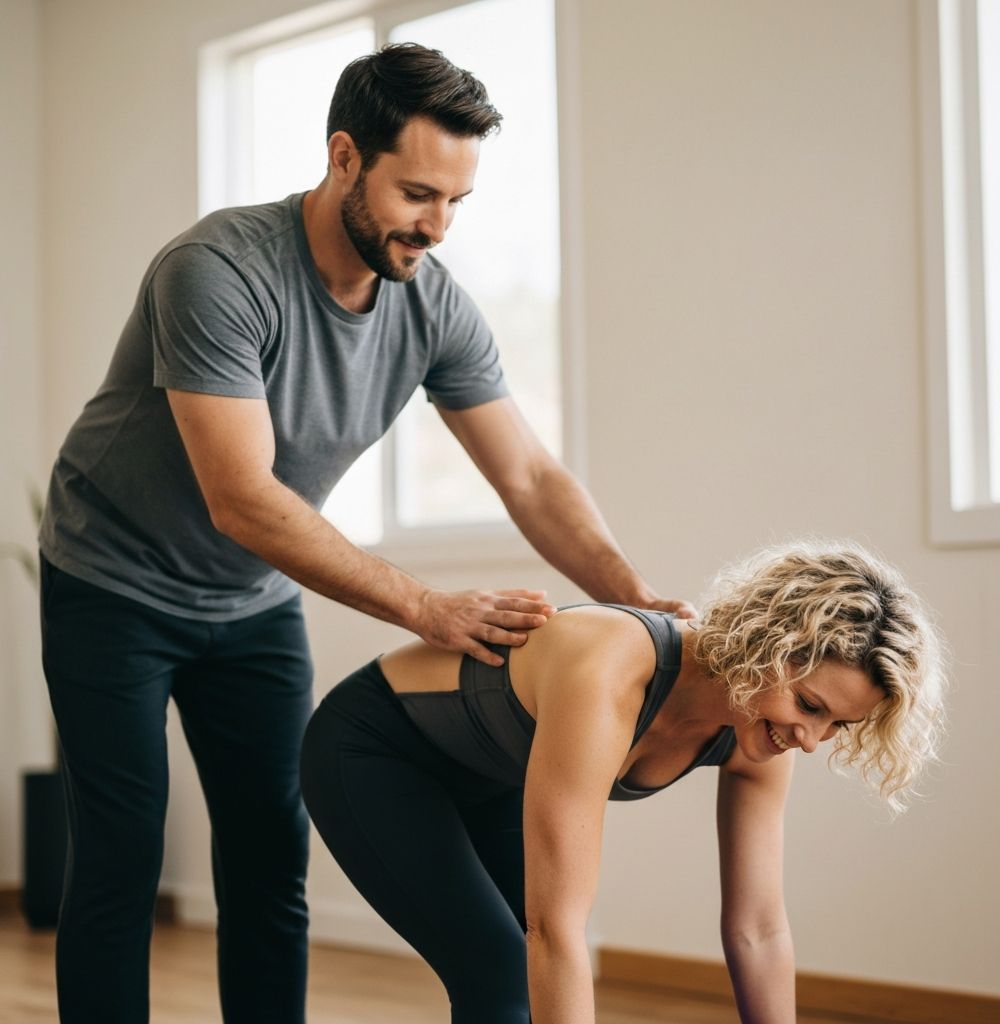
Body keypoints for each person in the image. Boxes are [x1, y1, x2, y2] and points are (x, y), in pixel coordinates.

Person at [36, 43, 688, 1024]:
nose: (437, 225)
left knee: (269, 855)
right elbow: (243, 498)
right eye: (418, 193)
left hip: (249, 603)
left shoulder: (431, 305)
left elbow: (528, 474)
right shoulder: (215, 271)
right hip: (112, 581)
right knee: (122, 848)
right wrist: (427, 605)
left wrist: (635, 597)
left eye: (457, 201)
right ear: (345, 157)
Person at [300, 540, 948, 1024]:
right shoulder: (614, 669)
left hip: (492, 774)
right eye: (809, 706)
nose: (810, 739)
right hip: (376, 749)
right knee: (502, 975)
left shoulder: (765, 736)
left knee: (524, 980)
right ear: (765, 647)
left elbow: (758, 927)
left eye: (839, 724)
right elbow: (556, 927)